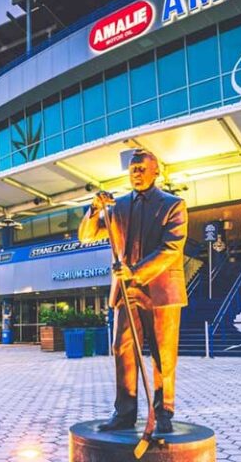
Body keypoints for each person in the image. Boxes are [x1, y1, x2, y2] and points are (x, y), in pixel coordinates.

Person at [78, 149, 188, 434]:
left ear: (156, 171)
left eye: (142, 168)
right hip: (126, 292)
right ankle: (125, 413)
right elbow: (87, 235)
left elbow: (171, 248)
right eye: (133, 168)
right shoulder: (118, 207)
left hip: (160, 291)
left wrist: (136, 271)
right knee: (122, 349)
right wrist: (93, 208)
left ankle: (163, 413)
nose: (136, 172)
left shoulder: (174, 205)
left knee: (163, 355)